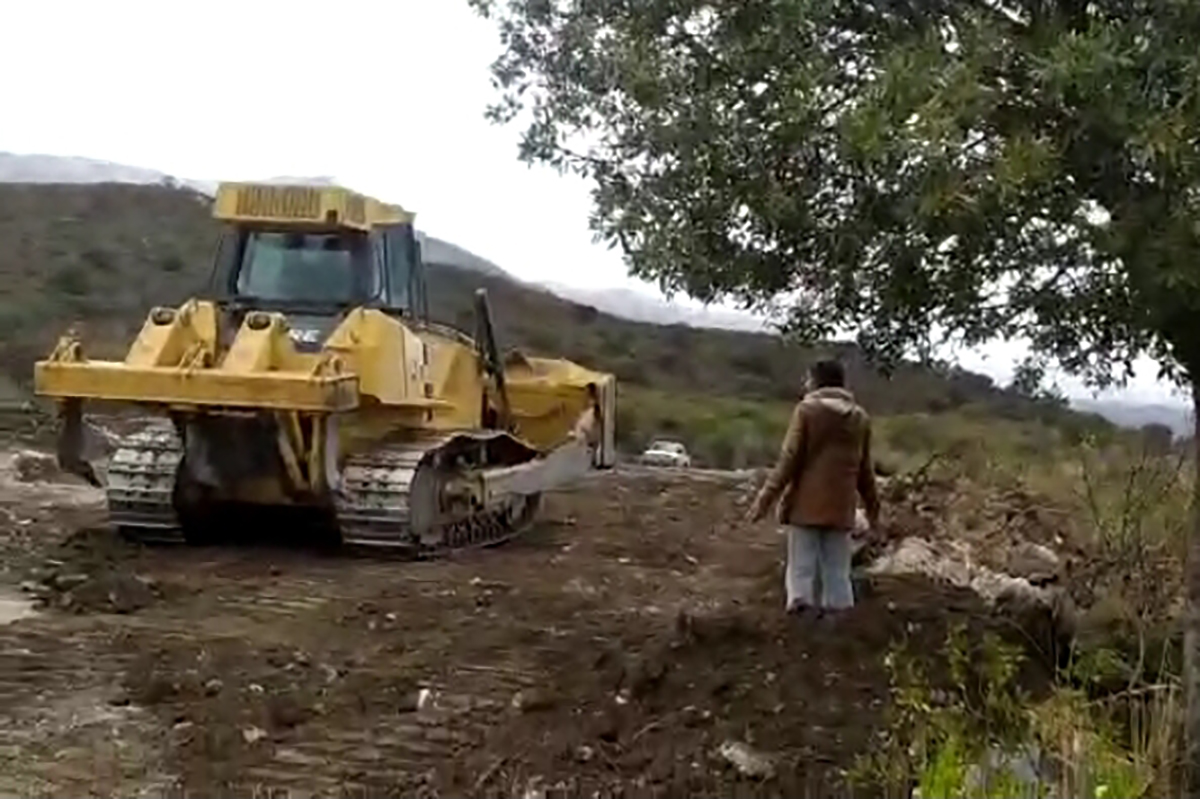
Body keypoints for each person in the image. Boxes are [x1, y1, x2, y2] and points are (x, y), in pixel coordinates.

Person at [746, 357, 880, 616]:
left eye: (808, 379)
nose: (805, 384)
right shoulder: (860, 418)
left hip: (806, 505)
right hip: (842, 508)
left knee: (801, 569)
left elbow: (789, 460)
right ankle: (841, 626)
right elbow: (865, 472)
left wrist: (764, 500)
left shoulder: (807, 411)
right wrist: (874, 512)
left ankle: (802, 624)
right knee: (838, 573)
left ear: (817, 382)